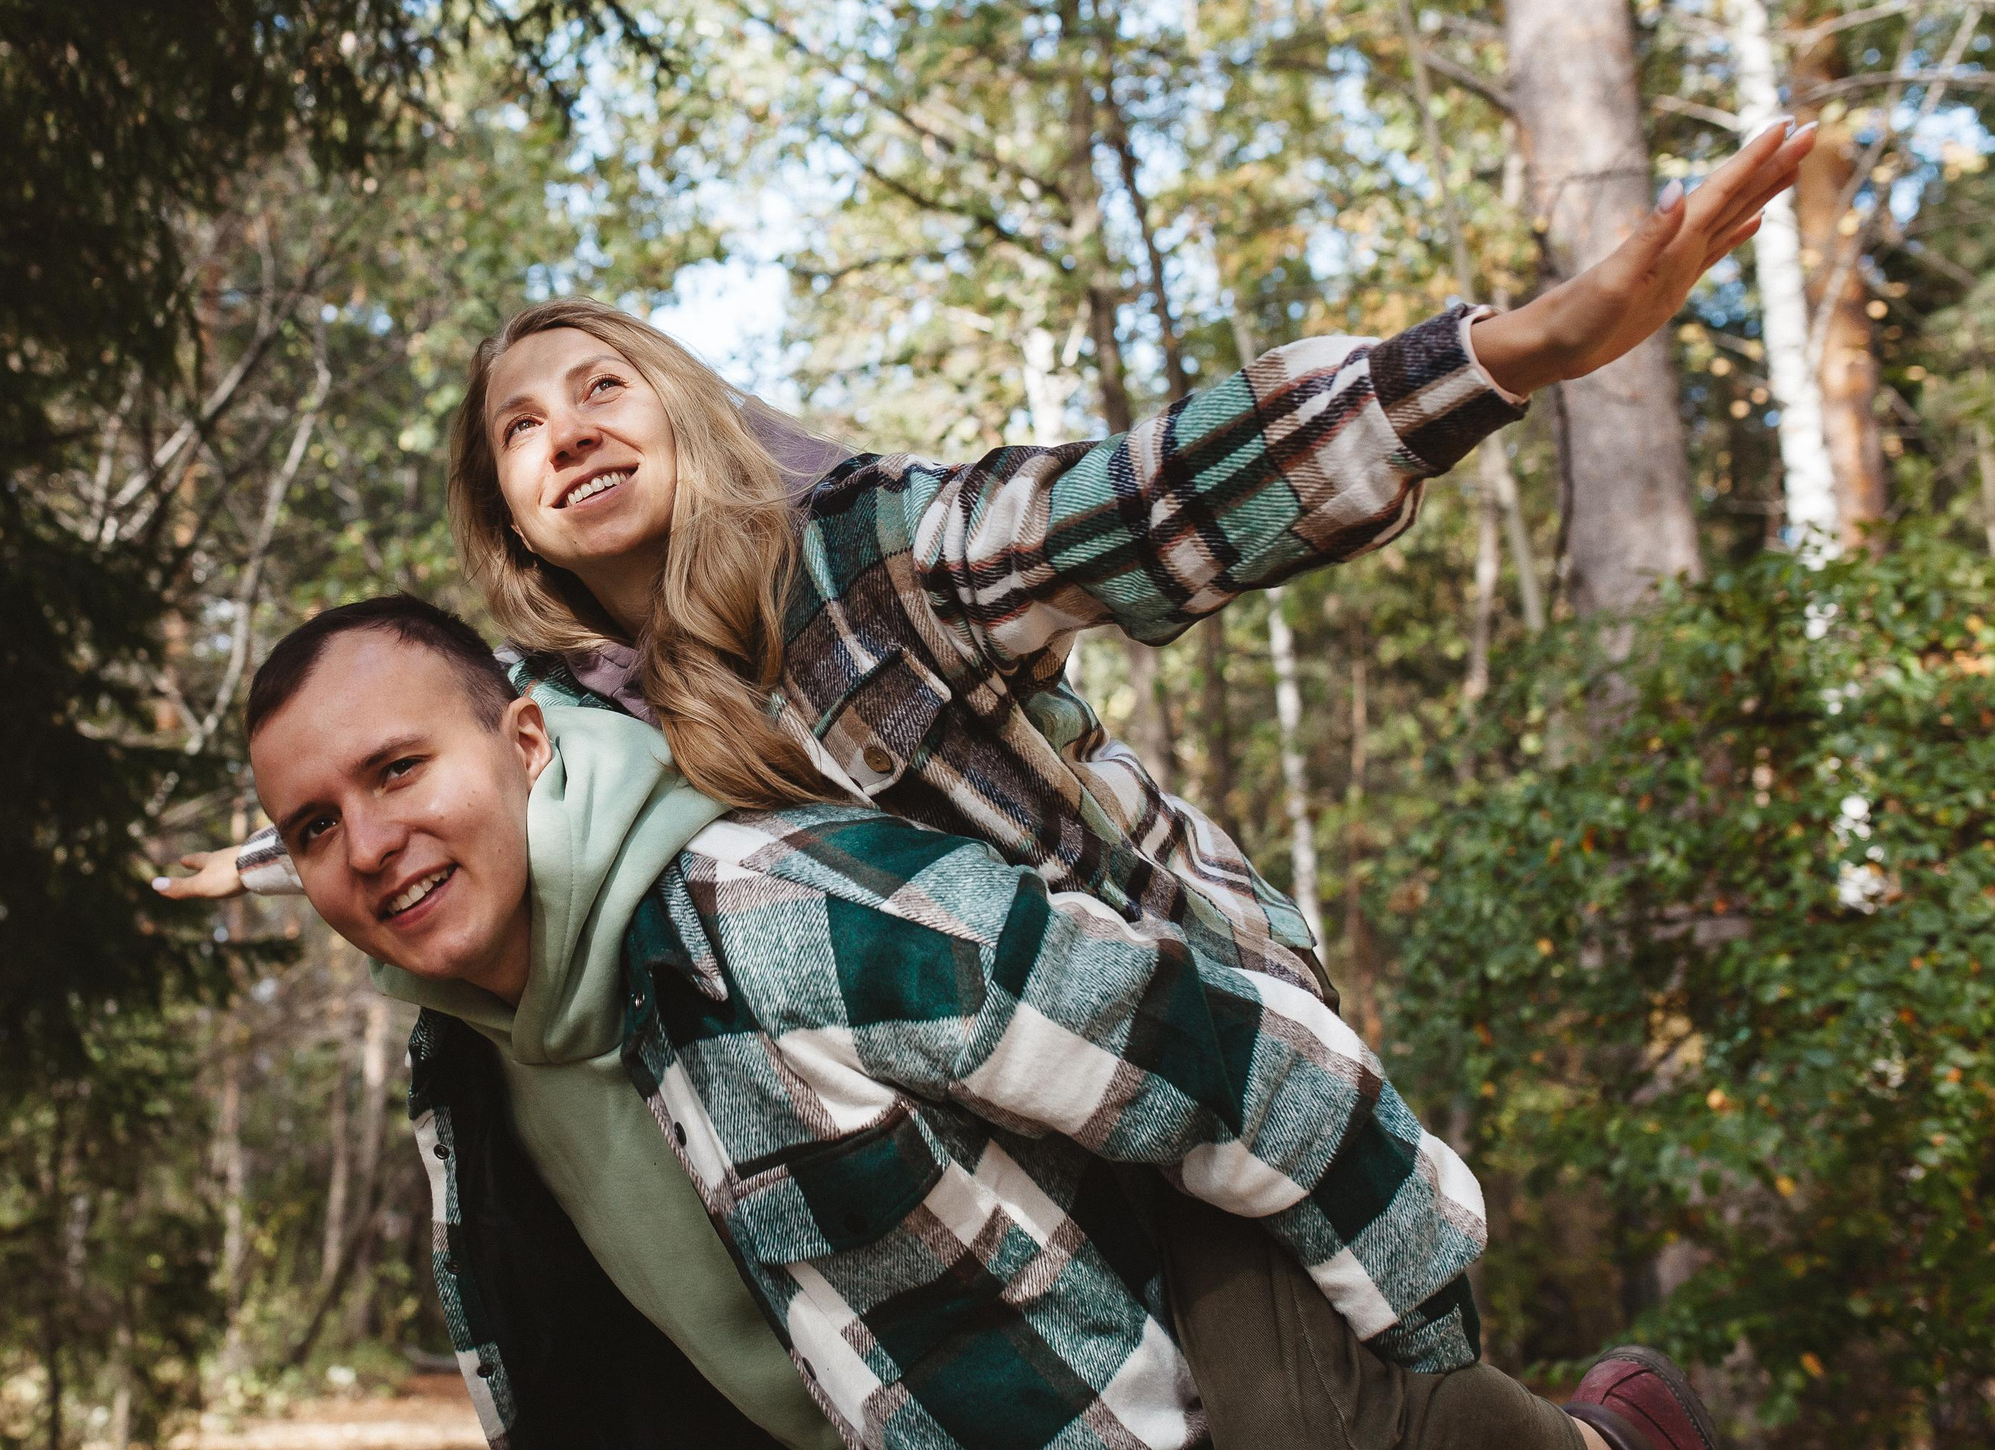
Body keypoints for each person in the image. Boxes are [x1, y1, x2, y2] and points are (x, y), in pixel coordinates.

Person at [169, 124, 1810, 1445]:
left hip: (1153, 1037)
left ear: (682, 411)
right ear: (508, 513)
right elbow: (415, 793)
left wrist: (1514, 352)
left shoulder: (875, 557)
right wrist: (262, 858)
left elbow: (1148, 496)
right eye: (521, 427)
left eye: (603, 387)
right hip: (965, 1142)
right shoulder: (581, 715)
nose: (569, 430)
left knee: (1313, 1417)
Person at [217, 594, 1716, 1450]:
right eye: (311, 824)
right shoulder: (460, 1067)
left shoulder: (765, 906)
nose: (367, 842)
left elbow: (1216, 1047)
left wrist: (1420, 1359)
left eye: (399, 769)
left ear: (527, 742)